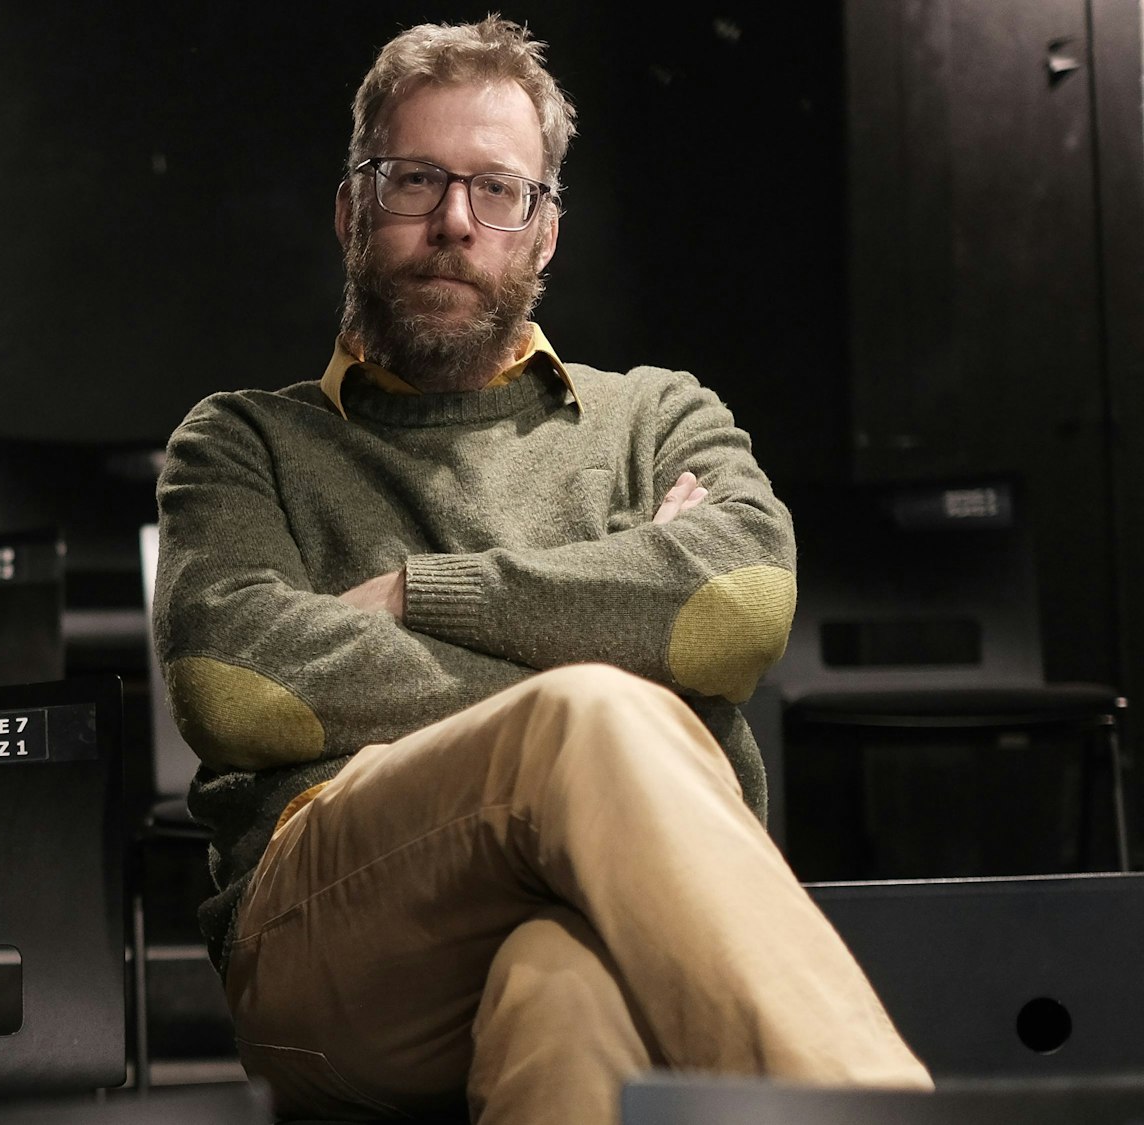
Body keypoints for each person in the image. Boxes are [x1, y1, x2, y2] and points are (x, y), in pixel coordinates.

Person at [150, 17, 930, 1125]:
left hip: (599, 913)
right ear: (349, 209)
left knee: (556, 991)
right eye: (415, 181)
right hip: (328, 937)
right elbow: (242, 687)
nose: (455, 223)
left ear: (545, 230)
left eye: (496, 191)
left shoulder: (659, 415)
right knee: (586, 717)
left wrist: (426, 595)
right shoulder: (240, 443)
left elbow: (736, 610)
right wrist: (623, 655)